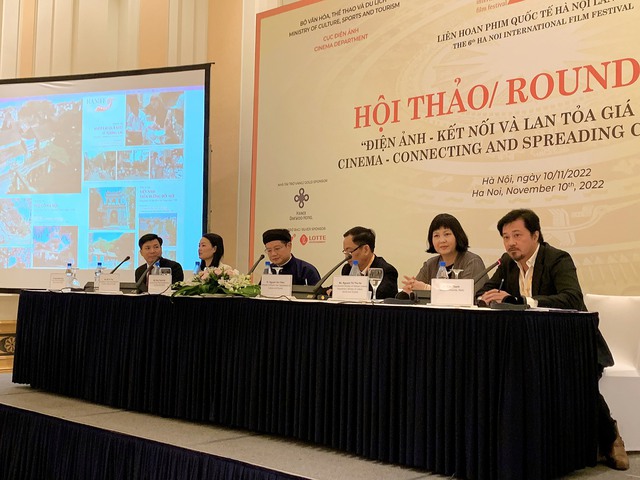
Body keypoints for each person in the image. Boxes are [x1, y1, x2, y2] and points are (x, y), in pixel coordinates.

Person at [476, 208, 629, 471]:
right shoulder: (507, 263)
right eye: (505, 237)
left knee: (577, 380)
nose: (510, 243)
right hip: (531, 347)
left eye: (517, 235)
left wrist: (522, 300)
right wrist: (485, 297)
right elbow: (487, 289)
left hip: (575, 345)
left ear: (535, 235)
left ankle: (610, 437)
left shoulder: (558, 259)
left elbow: (572, 298)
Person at [402, 213, 488, 295]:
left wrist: (427, 288)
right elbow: (416, 292)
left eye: (447, 234)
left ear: (457, 236)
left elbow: (465, 295)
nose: (442, 240)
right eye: (436, 236)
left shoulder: (473, 261)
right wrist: (410, 290)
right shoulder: (430, 265)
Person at [340, 226, 398, 299]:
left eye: (349, 251)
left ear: (366, 250)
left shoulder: (386, 271)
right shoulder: (347, 269)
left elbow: (378, 295)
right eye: (345, 251)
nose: (346, 256)